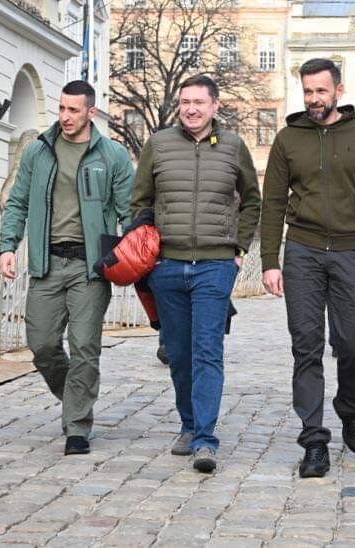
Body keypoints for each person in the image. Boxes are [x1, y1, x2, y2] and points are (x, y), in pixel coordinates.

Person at [260, 59, 355, 479]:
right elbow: (272, 203)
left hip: (352, 252)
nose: (314, 99)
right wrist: (270, 260)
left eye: (321, 91)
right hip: (302, 251)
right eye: (307, 91)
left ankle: (350, 407)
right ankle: (315, 439)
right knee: (306, 345)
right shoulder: (288, 139)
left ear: (338, 90)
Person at [129, 75, 260, 474]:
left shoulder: (234, 146)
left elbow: (253, 200)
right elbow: (140, 200)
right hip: (166, 266)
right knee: (180, 355)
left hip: (215, 266)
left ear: (215, 106)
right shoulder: (158, 144)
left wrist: (238, 248)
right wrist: (146, 245)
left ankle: (205, 439)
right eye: (185, 102)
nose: (191, 109)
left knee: (207, 352)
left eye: (199, 102)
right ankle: (187, 424)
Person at [0, 80, 134, 456]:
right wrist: (7, 246)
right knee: (41, 344)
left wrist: (134, 254)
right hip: (47, 263)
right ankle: (75, 395)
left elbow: (129, 212)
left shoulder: (113, 155)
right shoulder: (38, 151)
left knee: (85, 346)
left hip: (90, 268)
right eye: (61, 108)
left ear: (91, 112)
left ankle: (77, 426)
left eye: (73, 110)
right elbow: (17, 202)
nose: (65, 116)